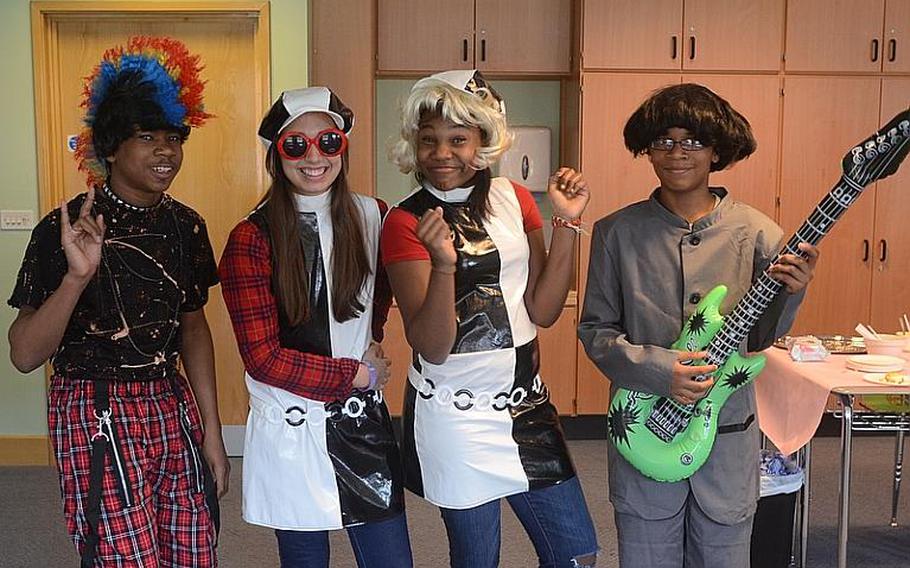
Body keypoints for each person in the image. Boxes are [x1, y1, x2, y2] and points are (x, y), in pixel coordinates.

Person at [577, 83, 820, 567]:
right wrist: (658, 369)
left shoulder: (758, 233)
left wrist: (792, 294)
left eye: (692, 141)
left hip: (727, 433)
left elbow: (758, 339)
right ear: (648, 148)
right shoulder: (615, 233)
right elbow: (596, 331)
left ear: (717, 150)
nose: (677, 153)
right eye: (664, 141)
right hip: (645, 428)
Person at [7, 36, 228, 567]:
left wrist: (213, 434)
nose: (166, 151)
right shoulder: (64, 229)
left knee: (194, 549)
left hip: (169, 404)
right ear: (109, 148)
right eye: (146, 136)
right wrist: (77, 278)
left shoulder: (186, 225)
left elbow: (194, 328)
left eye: (174, 137)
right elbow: (24, 354)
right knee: (124, 557)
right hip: (93, 406)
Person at [381, 69, 599, 568]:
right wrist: (442, 266)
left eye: (458, 139)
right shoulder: (404, 220)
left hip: (527, 408)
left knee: (576, 554)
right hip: (456, 418)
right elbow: (431, 344)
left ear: (482, 140)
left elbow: (543, 310)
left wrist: (568, 221)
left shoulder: (515, 199)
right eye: (429, 140)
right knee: (477, 559)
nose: (442, 154)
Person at [218, 87, 412, 568]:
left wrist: (373, 339)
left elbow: (379, 293)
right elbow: (263, 359)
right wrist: (355, 375)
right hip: (292, 424)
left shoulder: (375, 215)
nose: (313, 158)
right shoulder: (250, 237)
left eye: (327, 142)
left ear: (342, 147)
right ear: (275, 155)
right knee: (305, 560)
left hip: (359, 421)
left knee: (391, 558)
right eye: (295, 145)